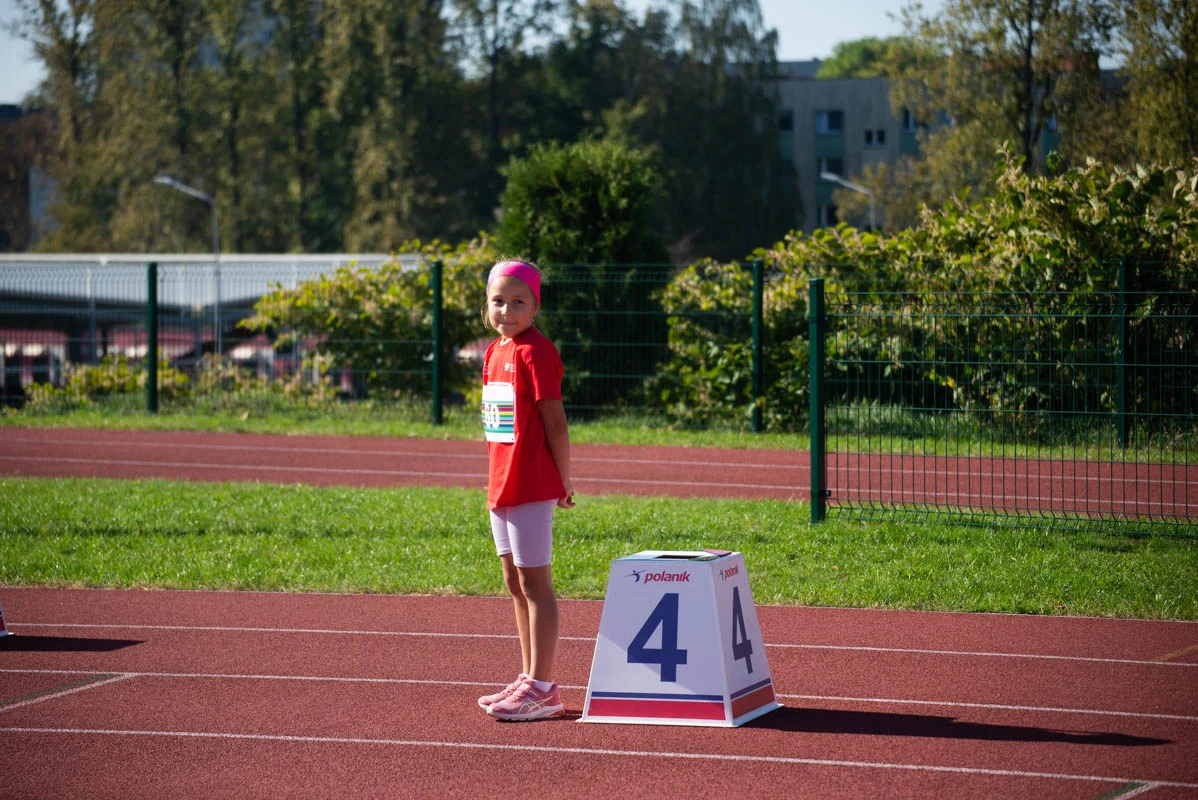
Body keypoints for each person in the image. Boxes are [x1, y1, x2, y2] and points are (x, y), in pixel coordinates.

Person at [476, 259, 575, 722]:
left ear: (536, 305)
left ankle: (544, 686)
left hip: (532, 482)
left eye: (518, 302)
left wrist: (563, 477)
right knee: (514, 583)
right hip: (502, 484)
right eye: (499, 302)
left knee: (536, 583)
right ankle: (527, 675)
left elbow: (555, 421)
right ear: (486, 307)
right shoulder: (494, 351)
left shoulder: (537, 352)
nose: (507, 310)